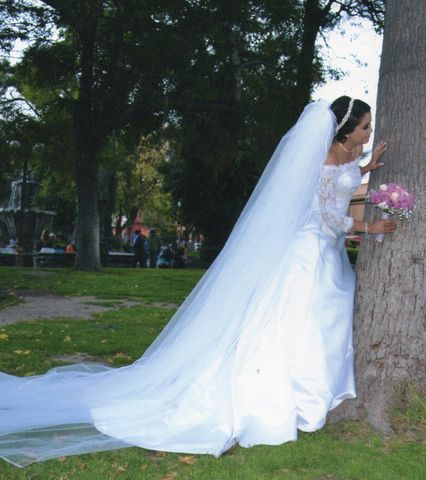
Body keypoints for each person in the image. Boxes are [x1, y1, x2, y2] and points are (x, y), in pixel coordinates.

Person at [0, 97, 396, 467]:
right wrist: (368, 224)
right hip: (311, 251)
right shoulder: (323, 161)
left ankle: (315, 391)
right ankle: (295, 396)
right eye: (365, 128)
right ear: (345, 132)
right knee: (305, 320)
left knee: (322, 319)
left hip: (325, 252)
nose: (368, 133)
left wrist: (364, 169)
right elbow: (327, 215)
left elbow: (338, 181)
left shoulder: (340, 158)